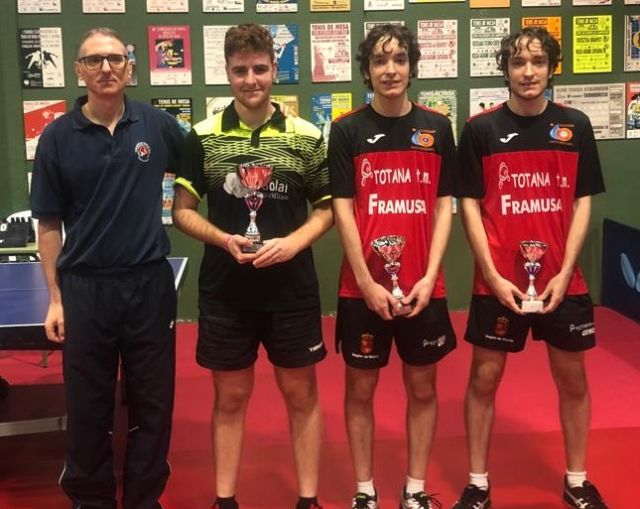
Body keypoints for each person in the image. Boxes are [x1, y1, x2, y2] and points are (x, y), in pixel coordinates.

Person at [172, 23, 332, 509]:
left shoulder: (307, 136)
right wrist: (223, 239)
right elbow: (182, 211)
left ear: (274, 70)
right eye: (240, 70)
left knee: (301, 395)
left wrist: (293, 244)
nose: (251, 80)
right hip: (226, 292)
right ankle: (225, 501)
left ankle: (308, 499)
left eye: (260, 69)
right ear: (227, 72)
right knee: (231, 398)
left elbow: (327, 210)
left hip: (292, 291)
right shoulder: (202, 136)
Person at [452, 27, 608, 509]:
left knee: (572, 379)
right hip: (497, 282)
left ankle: (577, 479)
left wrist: (564, 271)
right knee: (483, 378)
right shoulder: (480, 130)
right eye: (518, 63)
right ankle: (478, 482)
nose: (528, 72)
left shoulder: (575, 126)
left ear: (551, 68)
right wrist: (491, 273)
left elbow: (583, 202)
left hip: (563, 280)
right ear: (505, 70)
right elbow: (469, 204)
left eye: (538, 62)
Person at [30, 27, 184, 509]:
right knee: (88, 405)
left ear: (129, 67)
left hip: (148, 285)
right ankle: (91, 499)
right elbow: (48, 224)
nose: (106, 68)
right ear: (79, 70)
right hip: (85, 289)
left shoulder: (158, 125)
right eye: (94, 60)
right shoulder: (56, 137)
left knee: (153, 404)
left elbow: (203, 169)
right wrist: (56, 298)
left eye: (115, 59)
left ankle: (144, 499)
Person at [329, 24, 457, 509]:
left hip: (425, 287)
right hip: (361, 288)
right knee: (360, 388)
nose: (390, 70)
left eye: (399, 59)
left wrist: (430, 275)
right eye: (379, 61)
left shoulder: (437, 127)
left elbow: (444, 205)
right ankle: (364, 490)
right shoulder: (347, 130)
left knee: (422, 387)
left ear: (411, 66)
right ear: (366, 70)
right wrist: (365, 281)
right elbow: (343, 209)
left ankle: (416, 489)